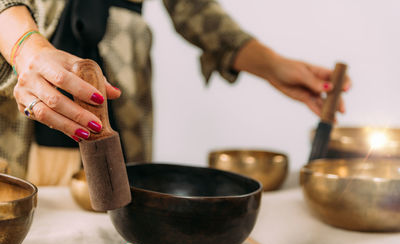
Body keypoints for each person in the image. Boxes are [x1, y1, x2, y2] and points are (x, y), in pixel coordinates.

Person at [0, 0, 350, 184]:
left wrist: (271, 64)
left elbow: (192, 7)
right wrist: (24, 48)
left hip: (122, 88)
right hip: (18, 87)